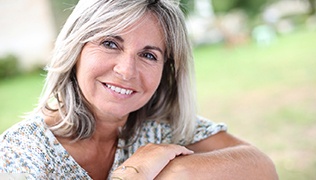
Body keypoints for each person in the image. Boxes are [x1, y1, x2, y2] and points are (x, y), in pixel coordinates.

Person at [0, 0, 278, 179]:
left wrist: (174, 173)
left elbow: (262, 167)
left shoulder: (159, 129)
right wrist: (134, 173)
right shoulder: (24, 150)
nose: (126, 70)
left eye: (148, 55)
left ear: (165, 72)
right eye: (110, 43)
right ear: (76, 49)